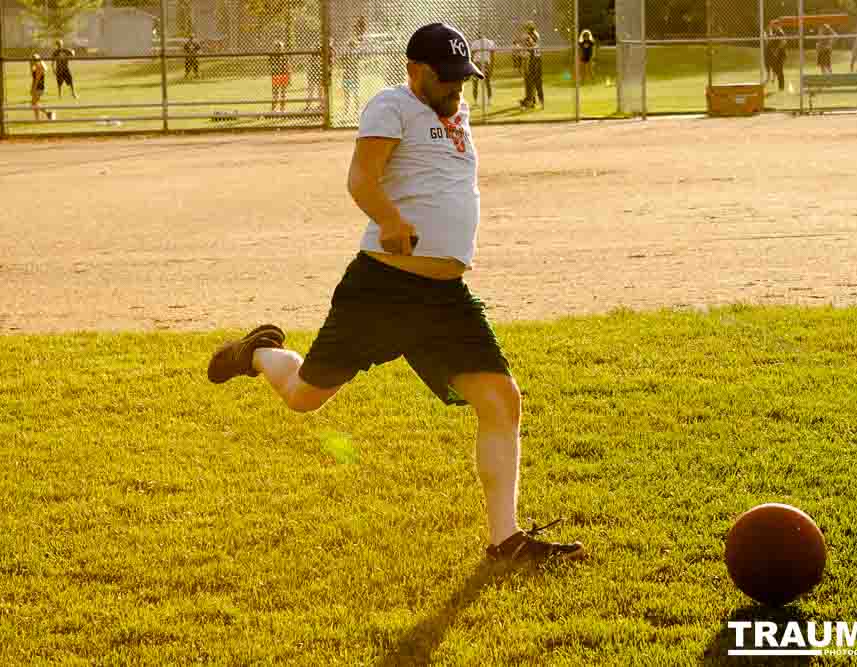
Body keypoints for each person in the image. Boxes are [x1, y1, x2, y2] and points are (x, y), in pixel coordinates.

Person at [207, 22, 586, 565]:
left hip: (444, 297)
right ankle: (260, 351)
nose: (457, 87)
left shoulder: (457, 112)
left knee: (502, 401)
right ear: (415, 71)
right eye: (446, 77)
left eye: (462, 77)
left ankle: (505, 540)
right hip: (383, 289)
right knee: (304, 398)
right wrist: (387, 217)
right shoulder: (392, 105)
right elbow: (362, 177)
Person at [520, 22, 544, 110]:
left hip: (535, 61)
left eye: (527, 28)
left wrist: (527, 41)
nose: (526, 30)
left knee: (536, 82)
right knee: (530, 81)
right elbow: (527, 48)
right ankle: (530, 100)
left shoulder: (533, 35)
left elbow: (531, 45)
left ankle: (533, 101)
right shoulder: (532, 35)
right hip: (532, 60)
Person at [469, 32, 496, 106]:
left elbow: (471, 56)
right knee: (487, 82)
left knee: (475, 83)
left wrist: (471, 66)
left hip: (477, 63)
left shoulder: (475, 43)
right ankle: (489, 101)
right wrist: (491, 67)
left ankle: (475, 101)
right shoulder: (490, 42)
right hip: (485, 63)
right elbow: (493, 55)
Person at [340, 38, 362, 119]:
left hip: (347, 76)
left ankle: (347, 110)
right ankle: (356, 110)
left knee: (347, 95)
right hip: (354, 76)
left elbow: (342, 62)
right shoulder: (355, 53)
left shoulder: (346, 53)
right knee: (355, 94)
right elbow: (359, 57)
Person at [30, 54, 53, 121]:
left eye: (33, 59)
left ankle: (39, 117)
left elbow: (37, 80)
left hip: (38, 87)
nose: (32, 61)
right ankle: (47, 113)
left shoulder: (39, 67)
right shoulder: (37, 66)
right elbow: (33, 77)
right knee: (34, 103)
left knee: (34, 103)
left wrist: (33, 88)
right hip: (38, 87)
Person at [270, 40, 291, 112]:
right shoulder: (273, 56)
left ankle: (281, 109)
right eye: (277, 47)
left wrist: (289, 76)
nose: (278, 49)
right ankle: (274, 109)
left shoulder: (284, 56)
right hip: (277, 75)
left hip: (282, 75)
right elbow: (271, 66)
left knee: (282, 93)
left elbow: (288, 66)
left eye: (280, 47)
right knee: (276, 93)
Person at [765, 26, 787, 90]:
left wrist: (777, 50)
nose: (774, 27)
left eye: (775, 25)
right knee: (776, 69)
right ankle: (780, 86)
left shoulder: (780, 32)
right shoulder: (775, 33)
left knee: (779, 70)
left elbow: (784, 42)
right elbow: (769, 42)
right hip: (775, 56)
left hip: (780, 55)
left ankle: (781, 87)